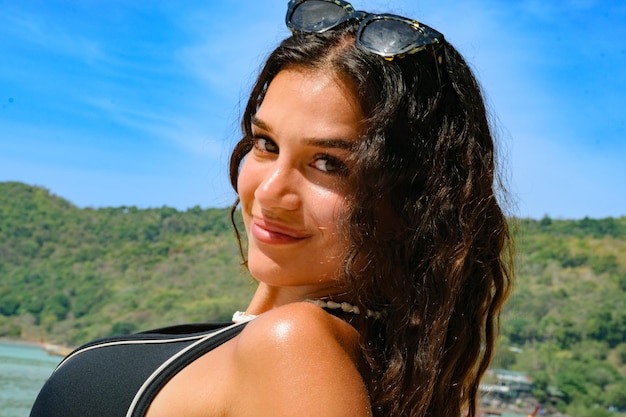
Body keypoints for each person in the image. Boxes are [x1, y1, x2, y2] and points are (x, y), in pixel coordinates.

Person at [30, 1, 513, 416]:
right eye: (266, 144)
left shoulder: (292, 345)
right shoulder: (283, 342)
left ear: (413, 203)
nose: (269, 192)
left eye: (328, 163)